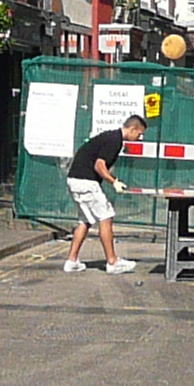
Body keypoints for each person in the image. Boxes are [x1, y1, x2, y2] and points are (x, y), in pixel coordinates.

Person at [63, 114, 143, 275]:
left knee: (84, 221)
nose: (140, 138)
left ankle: (72, 261)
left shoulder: (110, 136)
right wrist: (113, 181)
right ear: (132, 129)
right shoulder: (115, 140)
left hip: (74, 180)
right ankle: (112, 262)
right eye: (139, 134)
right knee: (106, 216)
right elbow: (99, 165)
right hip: (87, 182)